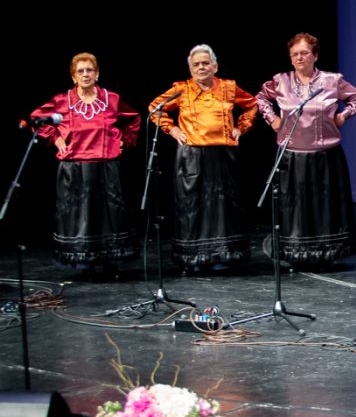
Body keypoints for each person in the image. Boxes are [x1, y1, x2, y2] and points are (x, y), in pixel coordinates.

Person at [256, 33, 356, 268]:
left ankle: (327, 253)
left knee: (324, 206)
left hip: (326, 155)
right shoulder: (281, 81)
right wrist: (272, 119)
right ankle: (295, 253)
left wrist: (344, 115)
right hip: (292, 155)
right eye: (294, 54)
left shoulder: (332, 80)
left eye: (304, 53)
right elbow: (261, 98)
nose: (299, 57)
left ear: (315, 55)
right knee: (295, 206)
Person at [149, 44, 258, 272]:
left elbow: (251, 105)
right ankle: (194, 258)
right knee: (193, 206)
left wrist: (241, 127)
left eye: (205, 63)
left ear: (215, 66)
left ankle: (225, 256)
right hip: (192, 155)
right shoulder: (182, 89)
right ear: (190, 69)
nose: (201, 67)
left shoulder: (228, 87)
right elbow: (155, 108)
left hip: (223, 154)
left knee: (224, 206)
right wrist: (172, 129)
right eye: (196, 64)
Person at [31, 53, 140, 274]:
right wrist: (56, 138)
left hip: (106, 165)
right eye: (80, 71)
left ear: (97, 73)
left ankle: (110, 262)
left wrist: (124, 140)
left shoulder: (111, 99)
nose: (85, 74)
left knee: (108, 216)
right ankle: (84, 263)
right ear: (73, 77)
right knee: (81, 217)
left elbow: (134, 118)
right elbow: (37, 119)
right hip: (75, 166)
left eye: (89, 70)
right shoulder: (63, 100)